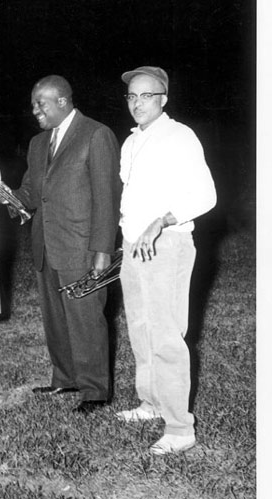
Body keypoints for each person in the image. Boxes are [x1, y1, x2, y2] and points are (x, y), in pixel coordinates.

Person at [116, 66, 216, 455]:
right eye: (132, 97)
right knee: (140, 329)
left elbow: (206, 196)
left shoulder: (180, 137)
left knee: (166, 334)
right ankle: (151, 403)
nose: (138, 103)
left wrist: (162, 221)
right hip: (133, 246)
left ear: (164, 99)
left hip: (167, 244)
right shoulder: (132, 141)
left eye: (147, 96)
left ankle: (179, 427)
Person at [13, 75, 121, 414]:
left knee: (86, 319)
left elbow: (107, 197)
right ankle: (65, 377)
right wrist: (7, 196)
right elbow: (31, 194)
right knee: (56, 318)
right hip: (46, 244)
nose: (34, 111)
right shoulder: (37, 144)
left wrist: (102, 249)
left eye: (40, 103)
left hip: (81, 246)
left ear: (62, 101)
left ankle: (94, 391)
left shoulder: (96, 134)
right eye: (33, 104)